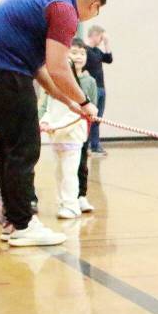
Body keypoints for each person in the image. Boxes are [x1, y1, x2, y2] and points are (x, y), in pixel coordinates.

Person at [0, 0, 104, 247]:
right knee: (24, 148)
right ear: (95, 5)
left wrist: (68, 101)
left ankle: (12, 221)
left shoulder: (49, 1)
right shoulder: (65, 10)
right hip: (4, 73)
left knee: (9, 147)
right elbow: (58, 67)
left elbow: (40, 68)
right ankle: (24, 225)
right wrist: (86, 102)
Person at [39, 59, 89, 219]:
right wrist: (45, 121)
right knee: (59, 173)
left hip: (71, 140)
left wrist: (55, 127)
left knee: (69, 174)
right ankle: (62, 202)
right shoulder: (53, 95)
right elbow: (49, 111)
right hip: (57, 140)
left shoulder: (77, 95)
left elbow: (73, 117)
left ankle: (71, 205)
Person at [68, 39, 97, 213]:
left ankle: (81, 196)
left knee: (82, 164)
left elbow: (93, 105)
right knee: (67, 167)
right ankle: (68, 198)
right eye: (74, 53)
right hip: (65, 130)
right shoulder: (63, 79)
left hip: (82, 130)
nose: (79, 57)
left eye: (82, 53)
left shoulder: (90, 81)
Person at [84, 24, 113, 156]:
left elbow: (109, 59)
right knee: (92, 118)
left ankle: (94, 144)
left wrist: (107, 43)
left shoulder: (97, 51)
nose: (101, 41)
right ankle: (92, 145)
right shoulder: (84, 50)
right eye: (101, 38)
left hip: (101, 88)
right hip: (92, 89)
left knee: (98, 118)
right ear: (94, 35)